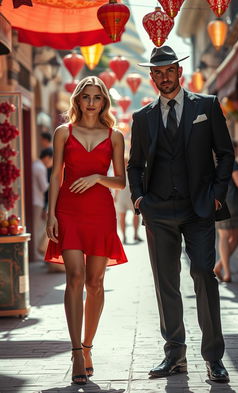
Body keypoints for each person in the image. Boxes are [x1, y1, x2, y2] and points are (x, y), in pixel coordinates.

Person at [127, 46, 234, 383]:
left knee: (204, 274)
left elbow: (225, 154)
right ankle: (174, 355)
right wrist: (139, 199)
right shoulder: (142, 118)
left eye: (168, 70)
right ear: (152, 77)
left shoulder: (207, 106)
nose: (163, 77)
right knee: (165, 283)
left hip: (198, 207)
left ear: (179, 72)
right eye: (157, 72)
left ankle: (214, 358)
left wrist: (217, 194)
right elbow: (135, 165)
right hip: (158, 210)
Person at [45, 76, 127, 385]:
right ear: (77, 100)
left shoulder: (115, 136)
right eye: (86, 96)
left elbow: (119, 181)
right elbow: (56, 176)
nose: (91, 102)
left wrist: (96, 178)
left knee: (95, 281)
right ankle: (76, 351)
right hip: (68, 210)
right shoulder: (63, 133)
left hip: (100, 211)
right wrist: (50, 214)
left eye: (97, 97)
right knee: (75, 277)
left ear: (104, 101)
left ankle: (89, 345)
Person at [214, 140, 238, 282]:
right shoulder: (233, 164)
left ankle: (222, 268)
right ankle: (224, 270)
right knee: (235, 238)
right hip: (233, 204)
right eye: (237, 149)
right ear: (234, 150)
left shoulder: (218, 163)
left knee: (223, 236)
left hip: (220, 201)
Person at [115, 158, 143, 244]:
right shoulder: (119, 170)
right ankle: (124, 236)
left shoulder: (131, 170)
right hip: (122, 195)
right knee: (122, 216)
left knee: (136, 214)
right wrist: (116, 196)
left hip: (130, 195)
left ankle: (135, 234)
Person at [32, 147, 53, 261]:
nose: (51, 163)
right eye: (51, 160)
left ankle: (36, 252)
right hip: (37, 201)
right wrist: (54, 185)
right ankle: (35, 253)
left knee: (37, 228)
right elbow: (44, 186)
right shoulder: (40, 167)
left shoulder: (36, 165)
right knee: (36, 229)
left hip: (36, 201)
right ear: (47, 157)